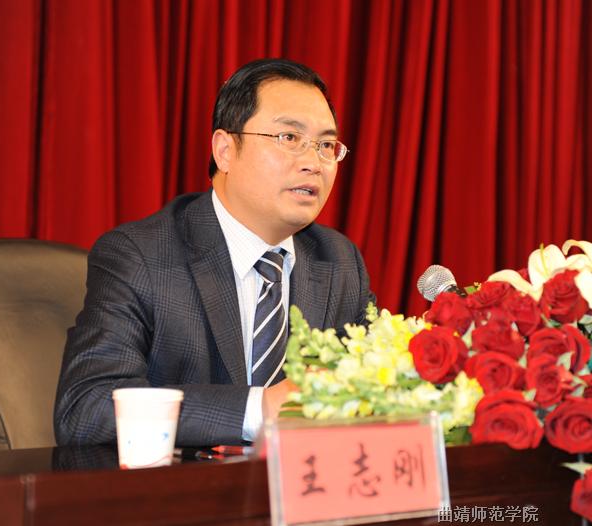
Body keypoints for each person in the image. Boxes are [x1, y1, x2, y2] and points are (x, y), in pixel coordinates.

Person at [54, 58, 375, 447]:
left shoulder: (338, 262)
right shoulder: (142, 256)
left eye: (325, 146)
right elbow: (85, 409)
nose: (313, 163)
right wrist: (260, 410)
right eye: (289, 138)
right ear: (225, 150)